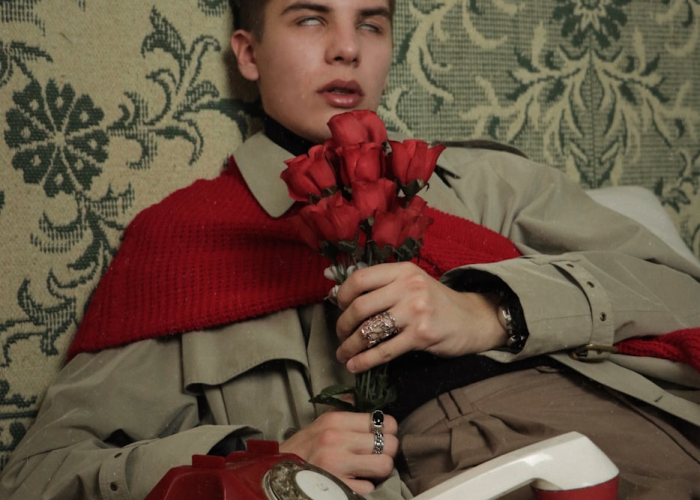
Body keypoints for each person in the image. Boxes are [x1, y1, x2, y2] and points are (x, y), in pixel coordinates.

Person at [1, 0, 699, 499]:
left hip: (633, 436)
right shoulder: (179, 244)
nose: (347, 48)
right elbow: (39, 475)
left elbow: (683, 297)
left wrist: (494, 312)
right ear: (248, 53)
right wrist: (264, 458)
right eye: (311, 19)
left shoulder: (491, 181)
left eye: (371, 23)